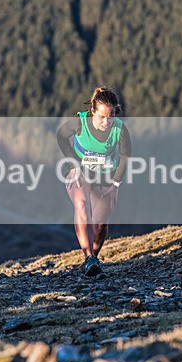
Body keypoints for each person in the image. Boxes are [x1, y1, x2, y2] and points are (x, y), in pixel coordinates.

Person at [57, 87, 131, 277]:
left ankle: (93, 258)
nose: (106, 122)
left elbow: (125, 157)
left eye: (111, 116)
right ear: (92, 112)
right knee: (81, 205)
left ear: (116, 112)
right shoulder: (80, 122)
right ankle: (89, 257)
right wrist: (73, 164)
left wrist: (115, 185)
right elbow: (61, 137)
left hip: (106, 175)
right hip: (80, 171)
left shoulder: (120, 129)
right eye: (101, 117)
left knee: (100, 225)